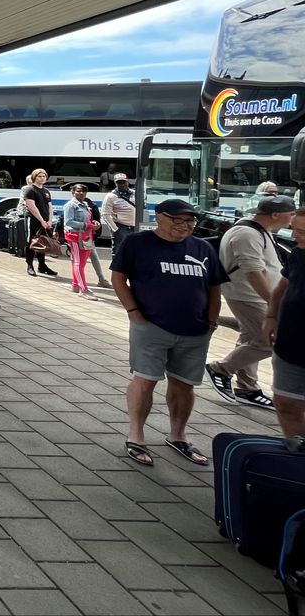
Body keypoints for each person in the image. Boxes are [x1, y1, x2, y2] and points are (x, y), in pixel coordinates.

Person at [112, 199, 228, 467]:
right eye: (178, 220)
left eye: (189, 221)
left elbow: (214, 287)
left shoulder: (202, 247)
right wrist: (134, 312)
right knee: (145, 381)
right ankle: (136, 436)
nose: (184, 226)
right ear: (159, 217)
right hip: (151, 326)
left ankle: (178, 436)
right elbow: (119, 277)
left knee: (184, 385)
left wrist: (211, 321)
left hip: (195, 330)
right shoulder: (137, 243)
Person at [206, 195, 295, 409]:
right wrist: (273, 303)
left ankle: (248, 388)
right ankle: (220, 368)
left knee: (251, 339)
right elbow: (253, 272)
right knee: (269, 341)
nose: (293, 218)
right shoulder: (247, 233)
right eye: (291, 214)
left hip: (250, 295)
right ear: (276, 214)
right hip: (248, 296)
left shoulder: (258, 231)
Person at [264, 209, 305, 438]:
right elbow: (282, 287)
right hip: (289, 344)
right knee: (285, 402)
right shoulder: (298, 254)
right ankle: (296, 455)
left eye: (302, 231)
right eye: (294, 229)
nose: (295, 236)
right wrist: (271, 316)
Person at [63, 185, 99, 300]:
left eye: (84, 191)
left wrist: (93, 223)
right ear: (72, 192)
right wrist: (87, 225)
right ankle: (83, 289)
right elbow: (68, 222)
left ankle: (75, 284)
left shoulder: (85, 205)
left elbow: (85, 219)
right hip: (75, 236)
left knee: (81, 262)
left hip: (85, 236)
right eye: (78, 191)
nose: (81, 193)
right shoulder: (70, 205)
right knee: (78, 262)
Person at [22, 168, 58, 277]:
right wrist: (41, 220)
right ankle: (30, 265)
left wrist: (50, 220)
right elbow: (31, 206)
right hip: (33, 220)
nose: (42, 178)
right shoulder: (30, 190)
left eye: (44, 176)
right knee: (32, 241)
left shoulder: (46, 191)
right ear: (34, 177)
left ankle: (42, 265)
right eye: (39, 176)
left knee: (43, 242)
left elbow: (50, 207)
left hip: (45, 221)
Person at [102, 173, 136, 256]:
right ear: (115, 183)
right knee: (119, 253)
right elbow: (105, 214)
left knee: (133, 252)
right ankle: (116, 269)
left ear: (127, 182)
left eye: (124, 182)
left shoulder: (135, 193)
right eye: (119, 182)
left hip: (135, 227)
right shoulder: (110, 196)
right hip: (121, 228)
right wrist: (115, 229)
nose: (122, 184)